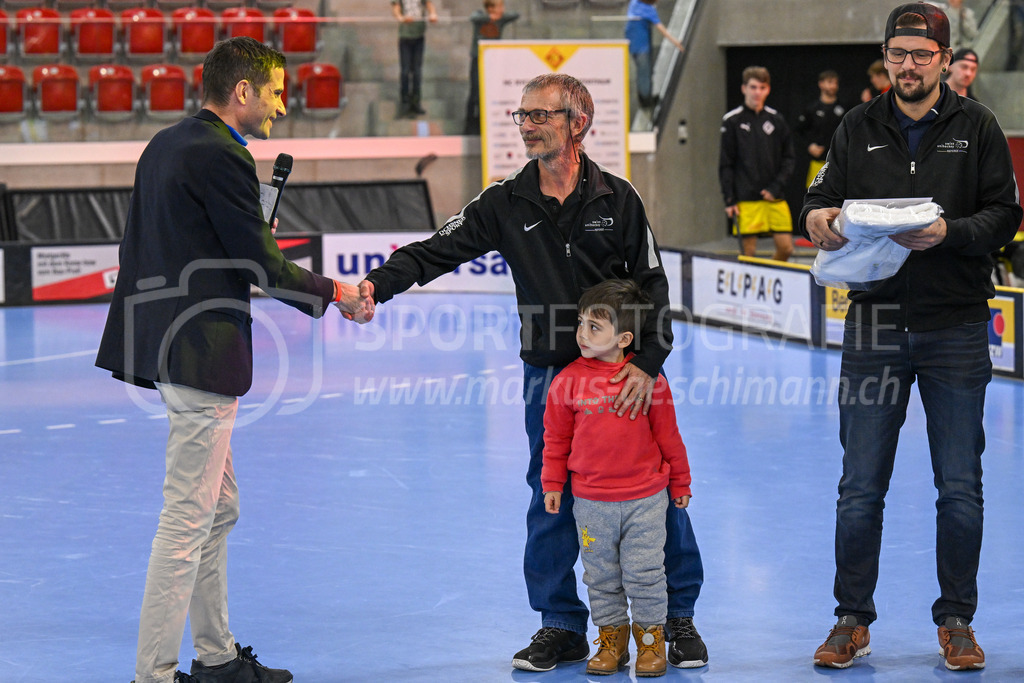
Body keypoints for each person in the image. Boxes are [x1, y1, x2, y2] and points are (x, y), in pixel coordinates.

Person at [349, 73, 707, 673]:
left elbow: (654, 285)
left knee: (656, 491)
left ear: (578, 123)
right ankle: (561, 624)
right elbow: (434, 250)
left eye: (541, 115)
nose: (528, 126)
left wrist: (648, 363)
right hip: (550, 380)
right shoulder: (504, 201)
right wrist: (374, 286)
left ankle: (676, 616)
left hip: (625, 377)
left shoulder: (618, 198)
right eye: (523, 115)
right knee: (550, 494)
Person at [95, 37, 372, 683]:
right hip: (199, 355)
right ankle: (153, 675)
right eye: (274, 91)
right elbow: (261, 266)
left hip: (167, 348)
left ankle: (216, 657)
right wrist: (339, 293)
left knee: (218, 510)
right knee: (187, 520)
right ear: (242, 90)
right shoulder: (222, 154)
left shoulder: (166, 143)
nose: (282, 104)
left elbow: (171, 248)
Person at [801, 2, 1022, 671]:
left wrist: (949, 232)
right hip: (874, 327)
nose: (907, 65)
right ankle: (851, 618)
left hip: (956, 327)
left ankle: (957, 621)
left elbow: (1005, 215)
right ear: (886, 58)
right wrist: (819, 220)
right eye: (897, 53)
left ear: (944, 60)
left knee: (960, 487)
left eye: (921, 55)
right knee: (859, 488)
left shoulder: (978, 126)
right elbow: (818, 199)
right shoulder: (857, 125)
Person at [541, 279, 692, 678]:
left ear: (624, 338)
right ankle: (612, 641)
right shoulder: (567, 381)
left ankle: (651, 642)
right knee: (601, 577)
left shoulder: (648, 381)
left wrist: (681, 482)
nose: (582, 333)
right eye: (581, 323)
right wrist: (552, 484)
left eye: (594, 326)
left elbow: (669, 437)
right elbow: (555, 440)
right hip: (591, 503)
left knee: (646, 574)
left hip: (646, 500)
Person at [718, 65, 796, 261]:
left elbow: (789, 158)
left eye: (762, 88)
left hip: (774, 197)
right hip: (746, 199)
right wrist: (729, 199)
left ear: (768, 90)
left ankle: (768, 275)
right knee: (748, 256)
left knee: (786, 249)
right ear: (744, 88)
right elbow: (726, 163)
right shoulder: (732, 121)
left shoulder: (777, 119)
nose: (757, 92)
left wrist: (775, 187)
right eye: (753, 87)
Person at [463, 0, 519, 134]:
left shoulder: (501, 19)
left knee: (490, 91)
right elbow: (474, 17)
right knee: (475, 91)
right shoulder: (480, 16)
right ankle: (470, 124)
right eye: (493, 7)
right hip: (478, 59)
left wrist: (500, 14)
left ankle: (484, 122)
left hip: (493, 61)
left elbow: (515, 15)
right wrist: (489, 17)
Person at [624, 0, 685, 110]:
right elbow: (662, 29)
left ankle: (643, 98)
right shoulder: (649, 9)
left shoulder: (634, 3)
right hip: (642, 46)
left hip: (632, 44)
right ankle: (646, 100)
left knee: (641, 72)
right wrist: (676, 42)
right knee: (645, 73)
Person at [794, 69, 846, 187]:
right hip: (818, 163)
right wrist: (809, 145)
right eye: (830, 82)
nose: (833, 86)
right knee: (816, 194)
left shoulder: (844, 108)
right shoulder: (812, 109)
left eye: (835, 83)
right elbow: (799, 131)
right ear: (821, 84)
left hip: (839, 163)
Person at [391, 0, 437, 118]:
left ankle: (416, 101)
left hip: (419, 36)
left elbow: (429, 4)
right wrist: (401, 18)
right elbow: (396, 8)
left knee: (417, 71)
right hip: (405, 37)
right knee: (405, 71)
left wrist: (433, 14)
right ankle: (405, 102)